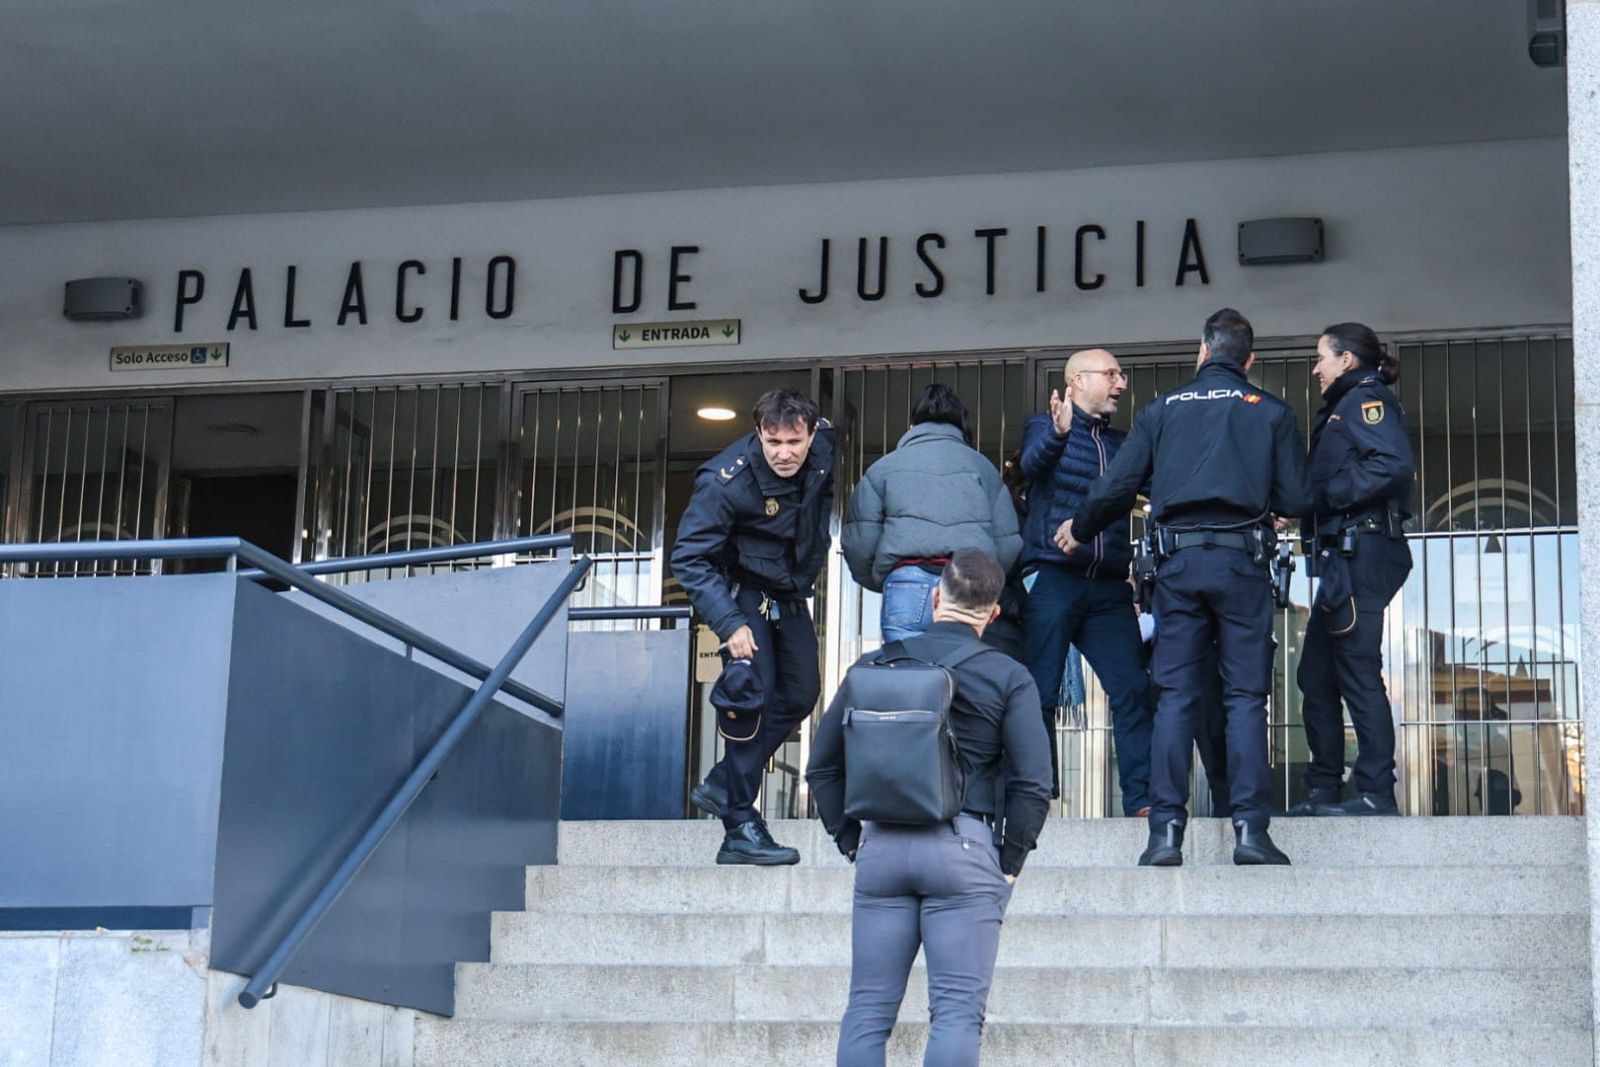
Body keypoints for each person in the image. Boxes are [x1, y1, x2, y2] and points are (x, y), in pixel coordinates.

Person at [1062, 309, 1310, 866]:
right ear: (1248, 361)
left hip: (1175, 570)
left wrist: (1079, 529)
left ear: (1203, 351)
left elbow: (1116, 487)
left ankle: (1165, 834)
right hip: (1241, 566)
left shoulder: (1162, 410)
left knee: (1174, 698)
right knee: (1245, 699)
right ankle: (1249, 832)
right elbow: (1297, 500)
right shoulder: (1269, 412)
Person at [806, 548, 1053, 1067]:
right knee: (957, 1015)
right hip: (965, 847)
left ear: (936, 597)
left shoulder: (873, 666)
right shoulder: (1009, 676)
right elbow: (1033, 783)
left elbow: (822, 767)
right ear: (993, 613)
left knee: (867, 1011)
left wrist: (852, 841)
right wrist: (1008, 865)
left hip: (882, 847)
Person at [670, 387, 835, 864]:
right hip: (741, 592)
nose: (784, 453)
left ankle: (724, 783)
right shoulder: (725, 482)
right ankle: (740, 822)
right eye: (773, 441)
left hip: (788, 591)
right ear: (758, 434)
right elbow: (690, 557)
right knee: (749, 701)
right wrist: (729, 623)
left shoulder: (823, 447)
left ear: (809, 434)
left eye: (794, 442)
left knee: (803, 691)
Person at [1017, 349, 1154, 816]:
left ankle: (1142, 800)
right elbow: (1032, 465)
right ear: (1076, 381)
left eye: (1122, 373)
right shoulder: (1043, 426)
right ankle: (1039, 794)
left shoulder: (1124, 443)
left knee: (1134, 687)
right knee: (1041, 690)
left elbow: (1164, 489)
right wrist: (1058, 433)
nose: (1121, 383)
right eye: (1111, 374)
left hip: (1110, 587)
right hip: (1053, 578)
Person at [1289, 323, 1414, 817]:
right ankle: (1323, 788)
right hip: (1343, 555)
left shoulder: (1366, 400)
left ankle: (1375, 792)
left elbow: (1392, 464)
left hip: (1363, 551)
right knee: (1316, 674)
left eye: (1322, 357)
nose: (1316, 368)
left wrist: (1321, 498)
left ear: (1347, 360)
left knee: (1357, 672)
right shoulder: (1343, 406)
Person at [842, 383, 1021, 642]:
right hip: (968, 584)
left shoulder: (883, 468)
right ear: (961, 425)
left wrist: (884, 579)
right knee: (963, 675)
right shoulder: (983, 468)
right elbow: (1008, 542)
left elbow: (859, 540)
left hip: (906, 581)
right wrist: (985, 580)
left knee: (908, 675)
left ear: (912, 424)